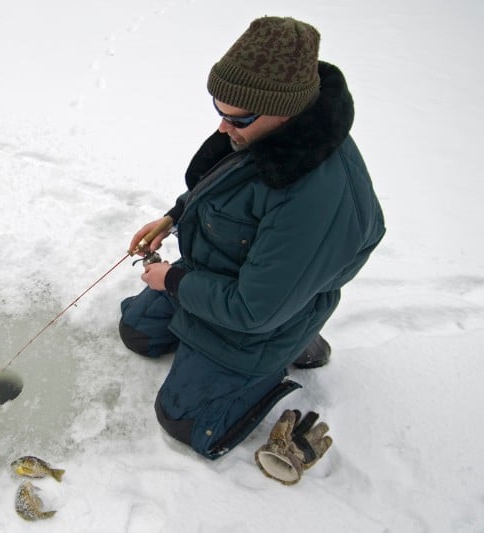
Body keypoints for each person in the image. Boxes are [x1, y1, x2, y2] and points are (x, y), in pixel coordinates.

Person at [119, 16, 385, 464]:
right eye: (218, 112)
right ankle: (252, 341)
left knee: (183, 419)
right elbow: (224, 186)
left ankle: (288, 346)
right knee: (138, 333)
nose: (223, 127)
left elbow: (253, 308)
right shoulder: (269, 133)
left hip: (260, 312)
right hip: (227, 277)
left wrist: (174, 282)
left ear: (284, 108)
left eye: (236, 117)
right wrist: (173, 216)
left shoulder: (312, 198)